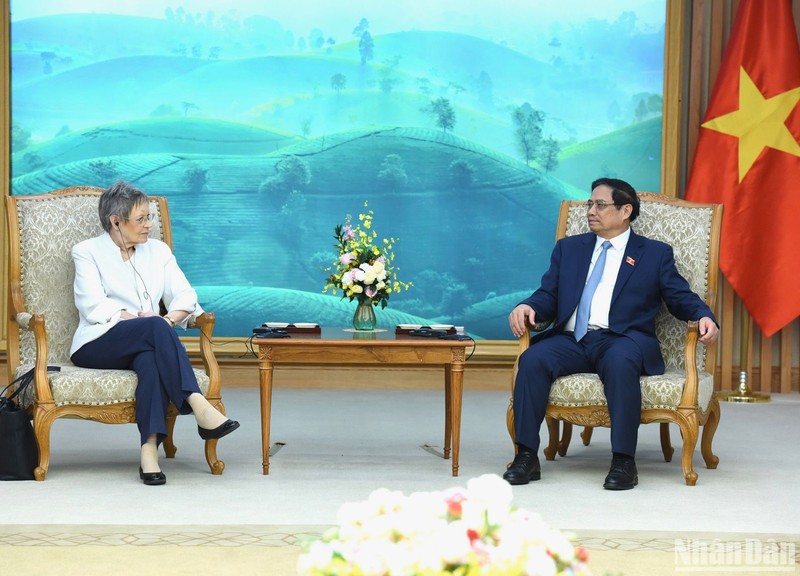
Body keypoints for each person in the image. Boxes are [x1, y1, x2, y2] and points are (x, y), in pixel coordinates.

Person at [505, 177, 718, 490]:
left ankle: (623, 462)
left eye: (600, 205)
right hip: (572, 340)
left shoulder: (653, 254)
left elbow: (678, 295)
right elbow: (548, 294)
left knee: (620, 364)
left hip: (622, 340)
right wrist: (527, 306)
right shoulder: (569, 249)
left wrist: (703, 315)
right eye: (590, 204)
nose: (590, 210)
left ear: (625, 211)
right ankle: (526, 456)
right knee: (534, 359)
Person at [70, 180, 239, 486]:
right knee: (152, 327)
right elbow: (92, 305)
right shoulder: (87, 252)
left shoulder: (158, 251)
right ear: (116, 221)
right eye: (141, 219)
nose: (149, 225)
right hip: (98, 343)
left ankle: (149, 450)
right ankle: (198, 403)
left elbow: (186, 296)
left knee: (150, 359)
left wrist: (168, 320)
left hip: (147, 339)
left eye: (149, 217)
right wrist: (142, 319)